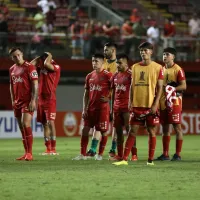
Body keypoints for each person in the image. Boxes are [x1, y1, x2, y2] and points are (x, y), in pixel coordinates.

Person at [113, 42, 164, 166]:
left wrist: (155, 104)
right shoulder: (135, 67)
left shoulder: (158, 68)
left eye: (146, 50)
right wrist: (130, 101)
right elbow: (131, 86)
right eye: (141, 50)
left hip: (150, 105)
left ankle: (150, 160)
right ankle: (124, 159)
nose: (143, 52)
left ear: (151, 52)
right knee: (132, 131)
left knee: (151, 132)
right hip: (136, 105)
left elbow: (160, 87)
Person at [73, 53, 112, 160]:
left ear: (103, 62)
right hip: (90, 108)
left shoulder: (108, 75)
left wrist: (109, 98)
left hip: (102, 108)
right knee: (85, 130)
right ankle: (82, 154)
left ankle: (99, 154)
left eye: (96, 61)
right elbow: (86, 94)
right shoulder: (89, 76)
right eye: (93, 61)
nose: (94, 63)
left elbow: (116, 88)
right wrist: (84, 108)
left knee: (103, 131)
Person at [86, 42, 118, 157]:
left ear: (113, 51)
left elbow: (119, 82)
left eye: (106, 50)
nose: (104, 52)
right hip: (101, 101)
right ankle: (94, 150)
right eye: (104, 50)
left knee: (116, 124)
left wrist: (110, 96)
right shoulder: (102, 62)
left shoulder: (118, 64)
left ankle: (113, 149)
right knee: (99, 126)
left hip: (117, 99)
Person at [155, 47, 186, 161]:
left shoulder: (178, 69)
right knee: (165, 129)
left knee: (177, 127)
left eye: (167, 54)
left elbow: (184, 86)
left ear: (173, 56)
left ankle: (178, 154)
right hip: (163, 102)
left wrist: (171, 88)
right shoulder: (161, 69)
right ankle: (165, 154)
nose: (165, 56)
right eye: (163, 54)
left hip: (175, 102)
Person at [9, 47, 38, 161]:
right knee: (21, 128)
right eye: (14, 56)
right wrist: (12, 100)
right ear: (12, 58)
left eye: (18, 55)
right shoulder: (12, 69)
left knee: (25, 124)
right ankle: (26, 152)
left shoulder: (29, 67)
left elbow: (35, 84)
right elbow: (11, 86)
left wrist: (33, 100)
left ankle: (30, 153)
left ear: (22, 54)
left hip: (27, 101)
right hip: (17, 101)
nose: (17, 57)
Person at [31, 52, 60, 155]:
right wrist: (39, 57)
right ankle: (48, 149)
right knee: (44, 124)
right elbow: (30, 66)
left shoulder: (55, 66)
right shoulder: (41, 67)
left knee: (50, 123)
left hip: (50, 99)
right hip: (41, 100)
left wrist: (50, 55)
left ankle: (54, 148)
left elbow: (47, 64)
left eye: (44, 59)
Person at [109, 53, 138, 161]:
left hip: (127, 107)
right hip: (116, 108)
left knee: (129, 131)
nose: (117, 65)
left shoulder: (131, 74)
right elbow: (112, 93)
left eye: (120, 63)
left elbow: (135, 91)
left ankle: (134, 154)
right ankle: (120, 155)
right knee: (118, 132)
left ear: (126, 63)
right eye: (117, 62)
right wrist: (111, 109)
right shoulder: (115, 76)